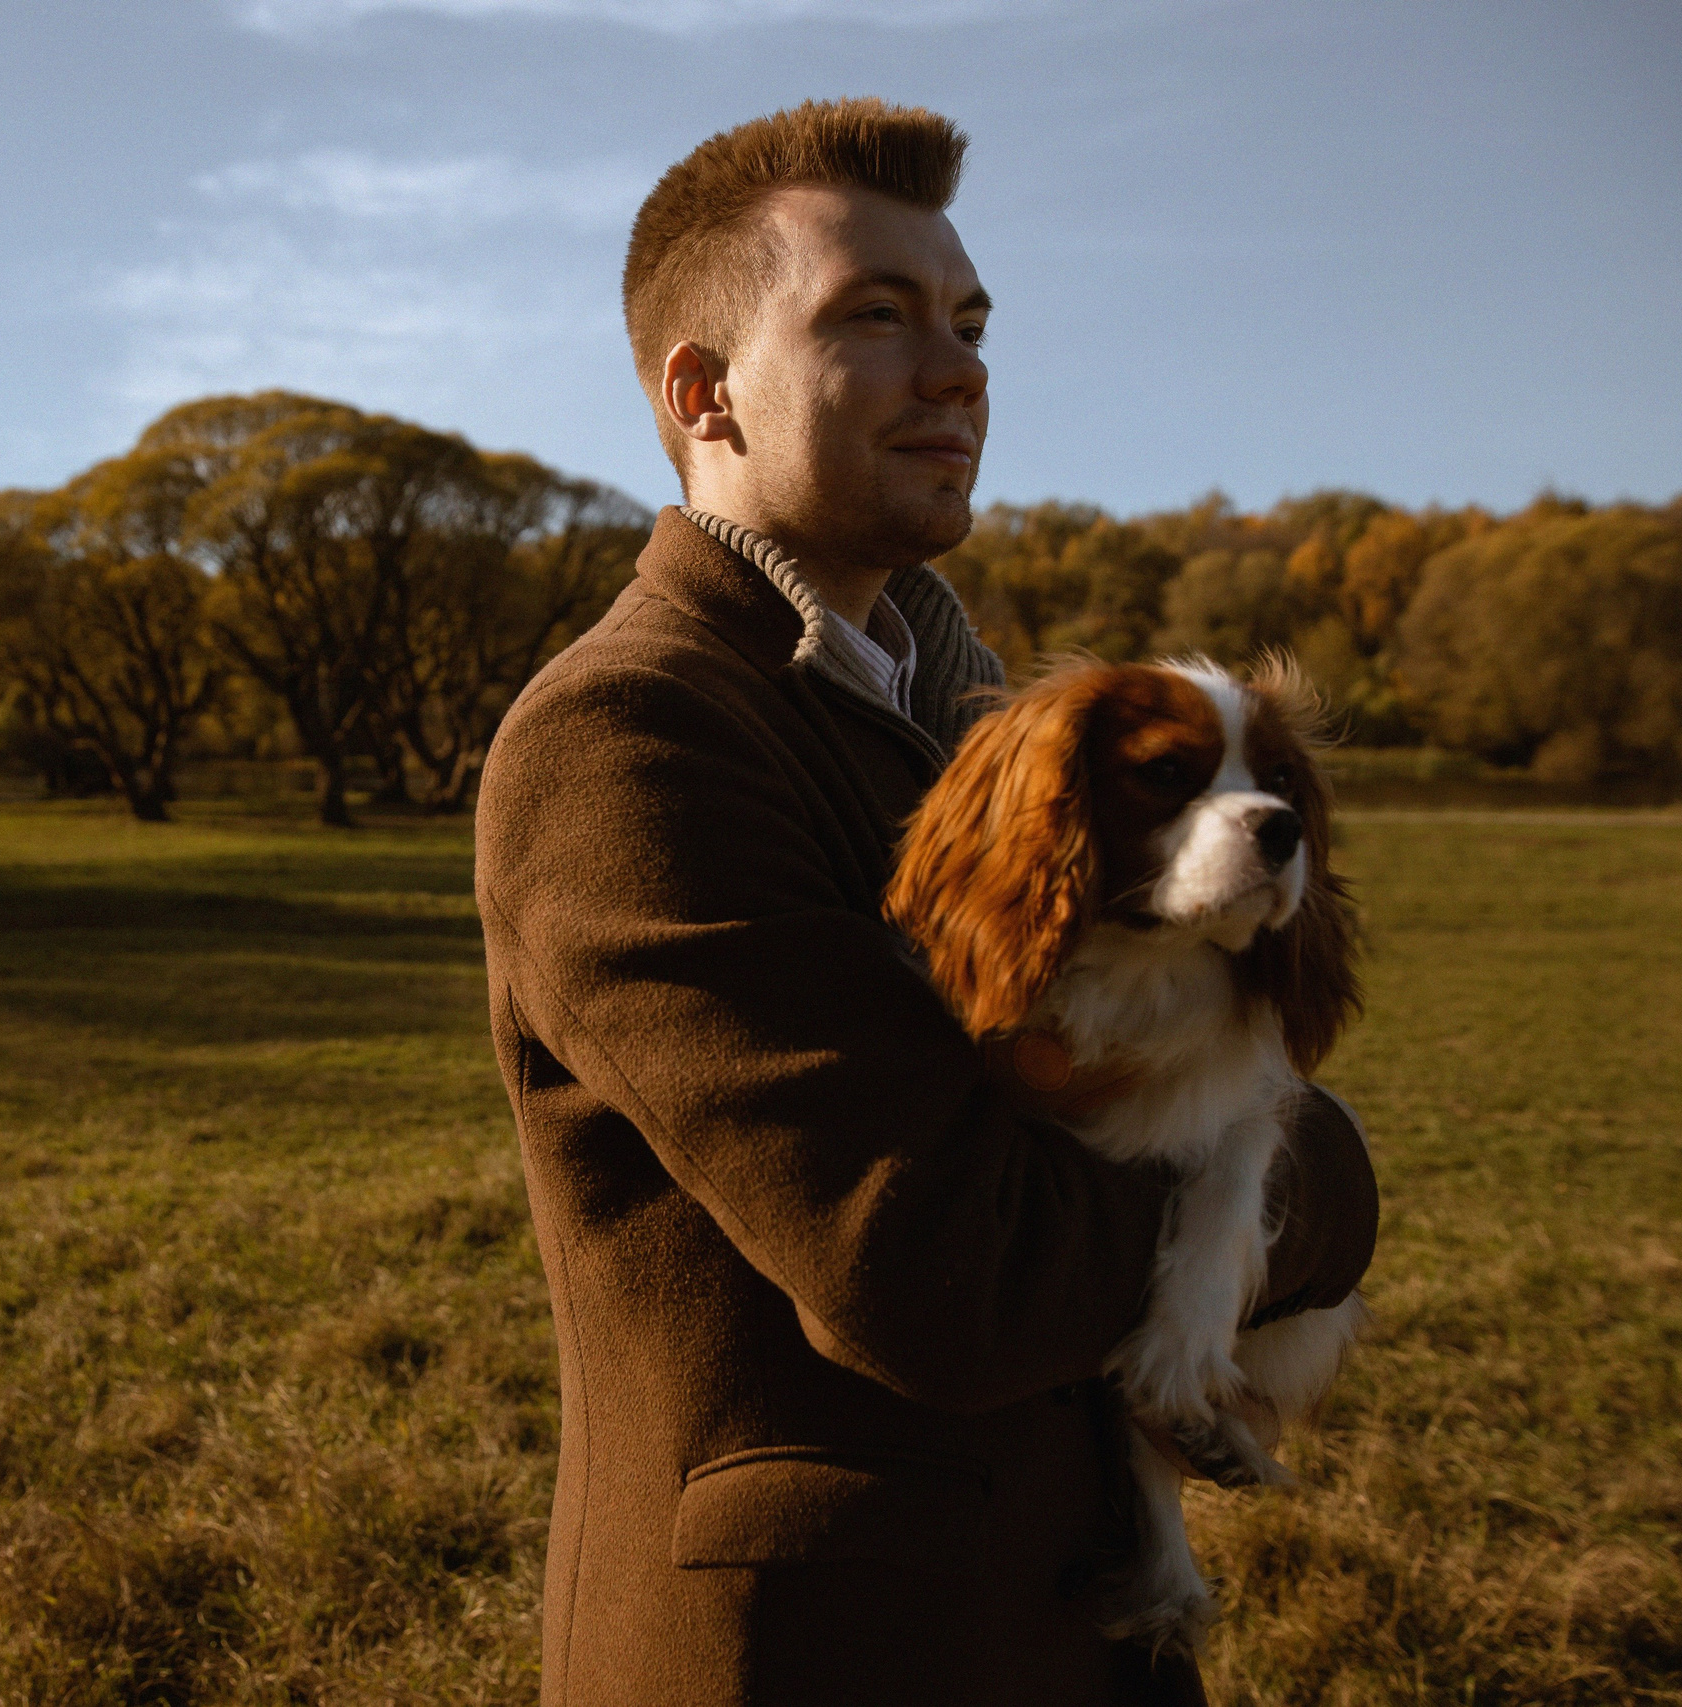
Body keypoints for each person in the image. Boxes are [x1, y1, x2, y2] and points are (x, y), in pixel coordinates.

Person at [471, 99, 1378, 1706]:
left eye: (967, 323)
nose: (958, 370)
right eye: (875, 318)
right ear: (704, 393)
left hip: (1063, 1620)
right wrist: (1320, 1179)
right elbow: (938, 1273)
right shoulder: (630, 734)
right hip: (824, 1654)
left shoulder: (988, 735)